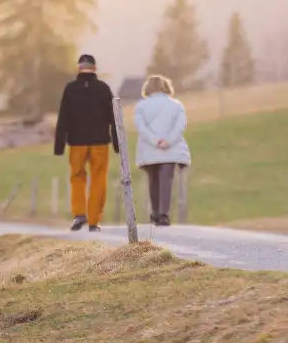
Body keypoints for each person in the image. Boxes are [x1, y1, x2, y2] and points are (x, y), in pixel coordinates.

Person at [54, 54, 119, 232]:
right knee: (98, 179)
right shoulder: (104, 88)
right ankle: (94, 221)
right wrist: (117, 143)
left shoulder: (70, 89)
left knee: (77, 177)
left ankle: (79, 213)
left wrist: (59, 145)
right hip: (100, 142)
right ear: (95, 68)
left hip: (77, 143)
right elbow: (114, 118)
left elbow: (63, 117)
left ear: (79, 68)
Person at [133, 74, 190, 227]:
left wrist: (155, 140)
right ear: (166, 87)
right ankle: (164, 214)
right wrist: (168, 140)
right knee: (167, 181)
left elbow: (141, 127)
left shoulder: (141, 106)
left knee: (153, 181)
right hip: (170, 150)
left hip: (150, 149)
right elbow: (180, 125)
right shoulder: (176, 105)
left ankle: (155, 213)